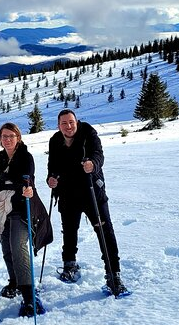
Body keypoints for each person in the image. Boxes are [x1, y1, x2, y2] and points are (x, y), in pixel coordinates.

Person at [46, 109, 129, 296]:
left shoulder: (88, 133)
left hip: (92, 191)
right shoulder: (55, 140)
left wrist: (93, 163)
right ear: (58, 125)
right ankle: (70, 265)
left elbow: (99, 155)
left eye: (71, 122)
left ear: (76, 121)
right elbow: (53, 166)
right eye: (63, 123)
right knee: (69, 231)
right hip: (67, 193)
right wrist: (51, 179)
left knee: (105, 231)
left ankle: (113, 274)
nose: (68, 126)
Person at [0, 123, 52, 317]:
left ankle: (30, 296)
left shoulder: (26, 157)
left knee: (18, 246)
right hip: (4, 209)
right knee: (6, 248)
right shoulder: (2, 156)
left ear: (18, 137)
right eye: (4, 136)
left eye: (11, 136)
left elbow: (27, 181)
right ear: (0, 139)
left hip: (21, 207)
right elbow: (4, 180)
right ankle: (15, 282)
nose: (8, 139)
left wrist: (24, 186)